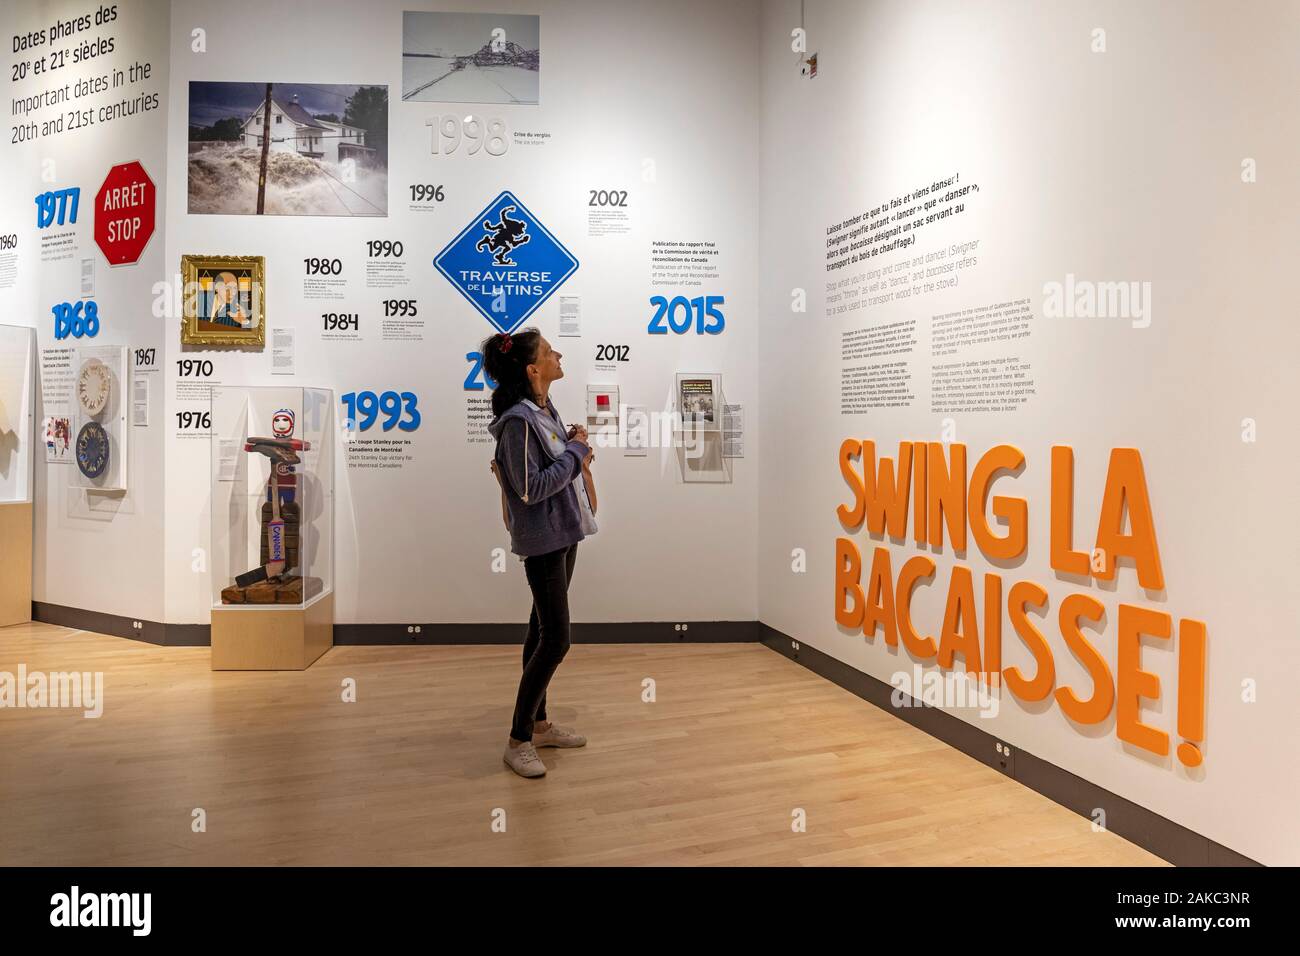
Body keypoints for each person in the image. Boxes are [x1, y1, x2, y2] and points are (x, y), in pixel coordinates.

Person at [484, 328, 598, 778]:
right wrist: (576, 450)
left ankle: (540, 723)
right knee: (556, 638)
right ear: (533, 369)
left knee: (540, 629)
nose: (558, 355)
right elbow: (531, 489)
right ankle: (518, 739)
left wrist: (568, 446)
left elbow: (552, 468)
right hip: (544, 540)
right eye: (550, 353)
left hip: (563, 534)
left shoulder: (542, 410)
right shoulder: (517, 422)